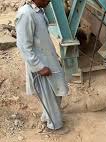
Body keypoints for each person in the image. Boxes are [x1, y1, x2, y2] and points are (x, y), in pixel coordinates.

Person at [16, 0, 69, 134]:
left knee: (54, 93)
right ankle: (54, 126)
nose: (49, 1)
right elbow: (23, 46)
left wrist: (55, 56)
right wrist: (39, 67)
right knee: (49, 94)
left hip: (48, 59)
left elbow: (43, 39)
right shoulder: (26, 14)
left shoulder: (38, 11)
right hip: (41, 64)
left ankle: (48, 118)